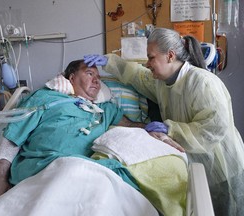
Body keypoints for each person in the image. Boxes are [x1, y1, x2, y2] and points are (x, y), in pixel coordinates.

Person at [84, 27, 244, 216]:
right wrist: (110, 62)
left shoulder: (203, 83)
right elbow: (138, 76)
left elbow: (213, 129)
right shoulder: (162, 83)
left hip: (222, 166)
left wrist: (171, 129)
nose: (147, 63)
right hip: (196, 165)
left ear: (170, 55)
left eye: (151, 57)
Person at [0, 59, 158, 204]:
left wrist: (154, 128)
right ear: (71, 78)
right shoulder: (45, 97)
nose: (97, 80)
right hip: (41, 166)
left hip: (82, 168)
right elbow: (13, 136)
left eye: (98, 77)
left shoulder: (106, 109)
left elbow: (129, 125)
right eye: (89, 73)